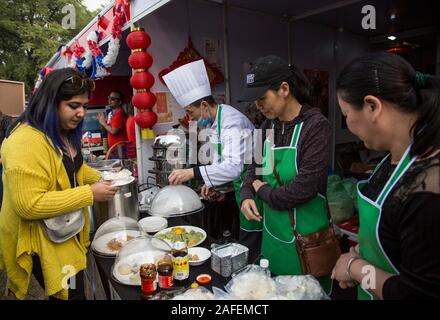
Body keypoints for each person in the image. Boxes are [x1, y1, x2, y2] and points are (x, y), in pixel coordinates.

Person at [0, 68, 118, 300]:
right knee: (70, 292)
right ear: (50, 102)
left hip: (62, 227)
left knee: (75, 288)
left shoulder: (62, 132)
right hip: (40, 236)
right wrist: (89, 194)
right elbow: (29, 204)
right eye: (74, 106)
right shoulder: (25, 141)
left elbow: (75, 167)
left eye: (84, 106)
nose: (82, 113)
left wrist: (106, 178)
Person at [331, 52, 440, 300]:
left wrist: (355, 268)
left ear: (372, 106)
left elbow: (415, 294)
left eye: (346, 114)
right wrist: (362, 252)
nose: (348, 123)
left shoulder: (428, 189)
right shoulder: (391, 159)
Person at [239, 55, 332, 293]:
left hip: (309, 242)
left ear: (284, 89)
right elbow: (254, 170)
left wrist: (263, 190)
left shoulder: (315, 126)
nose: (259, 106)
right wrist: (248, 193)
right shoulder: (266, 127)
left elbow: (304, 189)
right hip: (274, 241)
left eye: (262, 98)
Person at [163, 60, 260, 256]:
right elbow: (221, 160)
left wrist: (192, 173)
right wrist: (214, 184)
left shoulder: (232, 122)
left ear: (205, 105)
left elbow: (233, 167)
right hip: (237, 189)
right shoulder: (215, 122)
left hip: (253, 189)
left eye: (192, 112)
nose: (191, 119)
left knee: (250, 246)